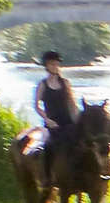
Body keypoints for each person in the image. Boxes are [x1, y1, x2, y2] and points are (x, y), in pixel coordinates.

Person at [31, 51, 78, 185]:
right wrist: (47, 119)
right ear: (46, 66)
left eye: (56, 64)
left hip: (68, 123)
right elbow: (36, 106)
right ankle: (46, 178)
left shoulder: (65, 83)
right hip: (52, 124)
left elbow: (72, 104)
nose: (55, 66)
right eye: (52, 64)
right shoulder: (42, 85)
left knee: (83, 144)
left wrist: (77, 120)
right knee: (47, 146)